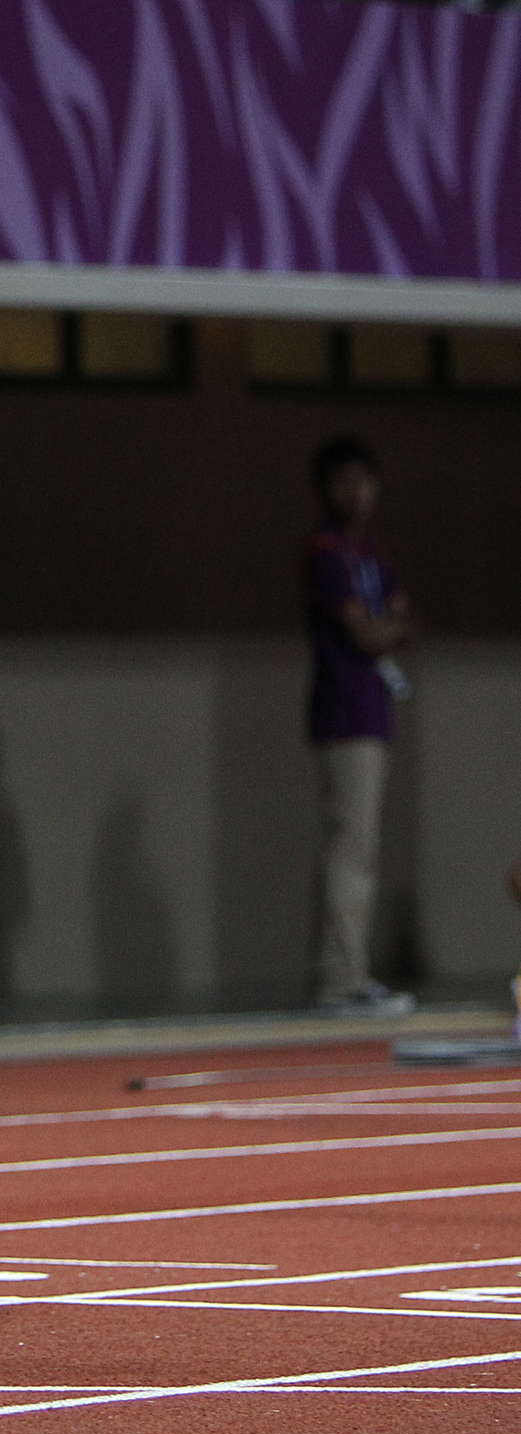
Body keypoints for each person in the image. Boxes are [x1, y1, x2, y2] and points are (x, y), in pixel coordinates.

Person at [304, 436, 416, 1017]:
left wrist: (386, 629)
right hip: (344, 712)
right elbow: (370, 632)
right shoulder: (327, 553)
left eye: (365, 480)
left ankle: (350, 973)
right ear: (326, 489)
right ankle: (340, 980)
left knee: (359, 848)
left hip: (373, 709)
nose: (358, 493)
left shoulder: (370, 555)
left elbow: (404, 623)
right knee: (351, 848)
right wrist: (383, 629)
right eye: (345, 481)